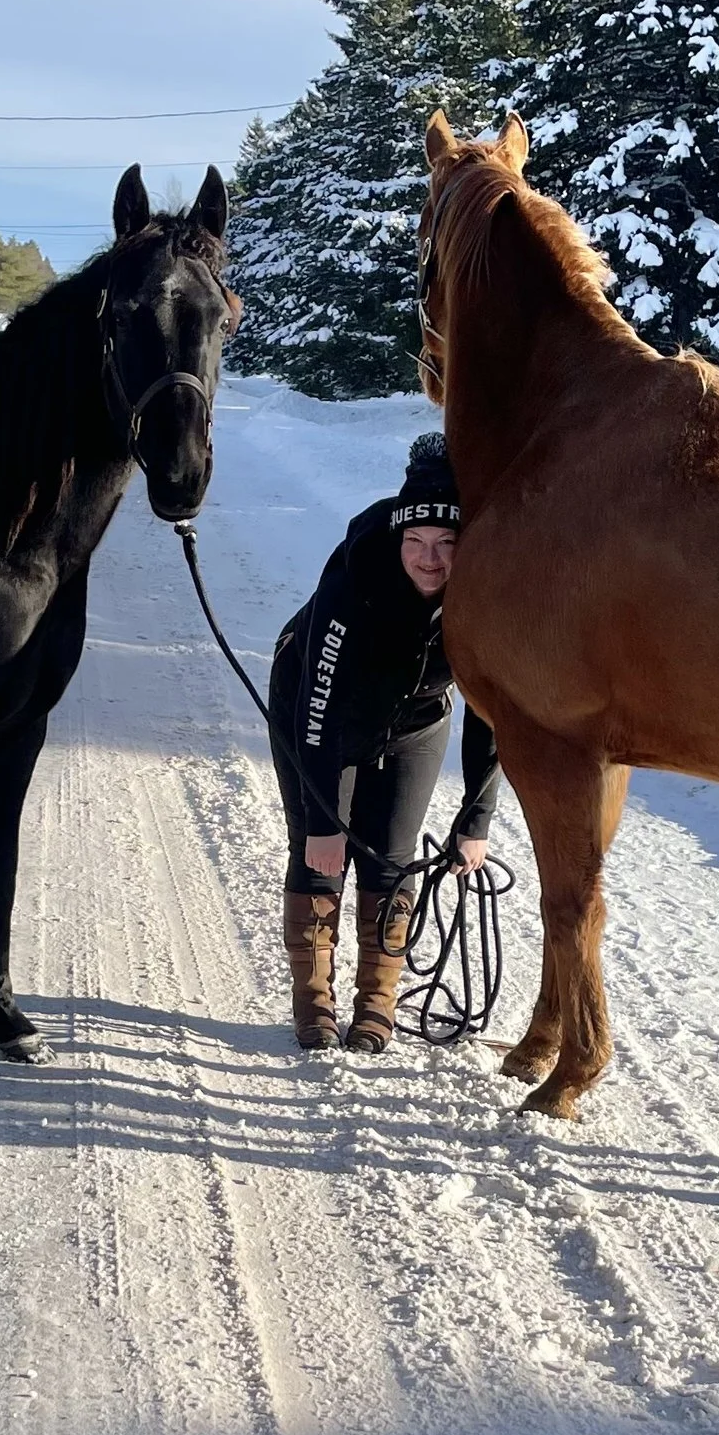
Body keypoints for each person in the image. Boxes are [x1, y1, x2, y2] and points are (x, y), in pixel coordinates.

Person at [268, 432, 500, 1052]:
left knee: (391, 859)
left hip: (417, 720)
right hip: (319, 712)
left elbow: (492, 708)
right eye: (417, 543)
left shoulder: (488, 585)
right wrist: (323, 821)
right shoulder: (359, 570)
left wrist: (474, 818)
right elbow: (320, 709)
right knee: (322, 853)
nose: (430, 560)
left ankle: (378, 1003)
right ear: (398, 537)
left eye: (447, 544)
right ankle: (313, 1001)